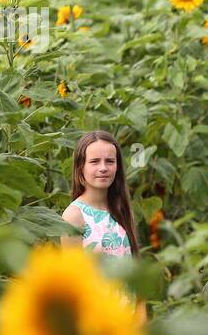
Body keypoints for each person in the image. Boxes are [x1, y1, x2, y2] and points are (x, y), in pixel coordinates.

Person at [61, 129, 148, 320]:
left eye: (110, 161)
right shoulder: (74, 216)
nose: (103, 168)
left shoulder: (120, 209)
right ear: (80, 168)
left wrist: (141, 317)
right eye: (94, 162)